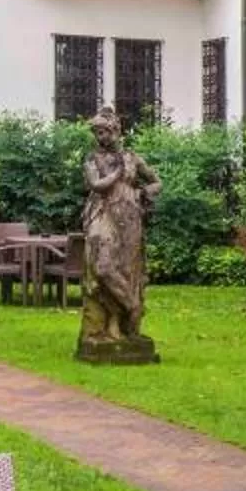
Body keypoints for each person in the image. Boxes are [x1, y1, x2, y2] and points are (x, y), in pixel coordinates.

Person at [76, 103, 160, 360]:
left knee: (126, 269)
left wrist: (145, 192)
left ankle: (117, 323)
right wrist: (117, 173)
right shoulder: (93, 159)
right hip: (102, 215)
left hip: (130, 217)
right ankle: (132, 306)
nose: (101, 138)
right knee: (103, 268)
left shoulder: (133, 157)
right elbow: (95, 184)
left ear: (116, 131)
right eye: (97, 133)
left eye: (105, 132)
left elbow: (156, 181)